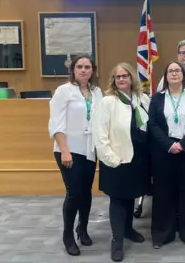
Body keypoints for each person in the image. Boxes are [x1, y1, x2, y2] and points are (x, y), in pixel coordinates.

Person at [92, 63, 151, 262]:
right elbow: (99, 135)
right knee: (118, 199)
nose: (122, 79)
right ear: (114, 81)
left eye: (125, 75)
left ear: (132, 78)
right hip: (117, 159)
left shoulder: (143, 99)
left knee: (131, 196)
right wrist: (111, 159)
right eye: (118, 77)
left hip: (138, 158)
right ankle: (117, 240)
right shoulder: (108, 102)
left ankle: (128, 229)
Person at [48, 54, 103, 256]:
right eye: (79, 66)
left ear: (92, 70)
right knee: (73, 193)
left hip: (89, 149)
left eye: (87, 67)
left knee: (86, 191)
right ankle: (68, 235)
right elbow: (56, 123)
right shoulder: (64, 91)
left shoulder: (97, 92)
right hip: (68, 150)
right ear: (73, 70)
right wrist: (64, 149)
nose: (83, 70)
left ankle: (83, 228)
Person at [149, 61, 185, 249]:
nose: (174, 73)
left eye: (177, 71)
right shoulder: (157, 98)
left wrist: (183, 143)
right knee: (163, 194)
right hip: (164, 152)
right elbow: (153, 125)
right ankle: (162, 234)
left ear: (183, 75)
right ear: (165, 76)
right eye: (170, 70)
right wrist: (169, 144)